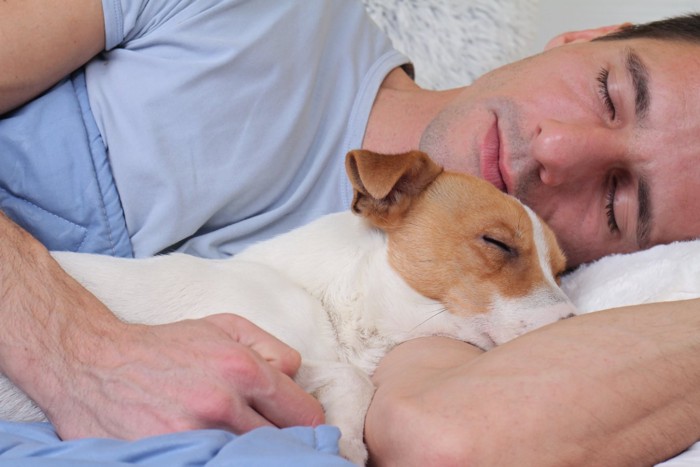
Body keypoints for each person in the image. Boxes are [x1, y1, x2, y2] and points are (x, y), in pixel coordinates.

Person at [1, 0, 700, 464]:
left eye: (619, 202)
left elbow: (448, 438)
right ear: (589, 36)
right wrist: (78, 347)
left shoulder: (444, 318)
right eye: (610, 93)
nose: (555, 153)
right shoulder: (253, 13)